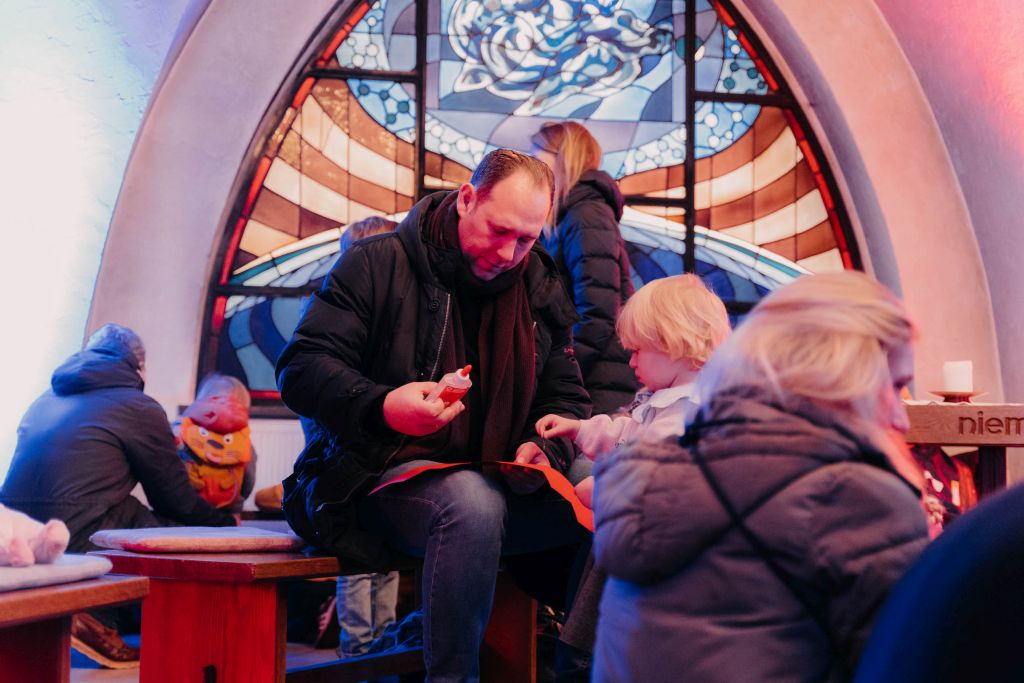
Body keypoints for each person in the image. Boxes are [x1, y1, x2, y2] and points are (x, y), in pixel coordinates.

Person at [276, 149, 592, 682]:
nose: (511, 253)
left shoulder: (539, 284)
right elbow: (301, 369)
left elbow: (566, 398)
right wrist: (382, 406)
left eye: (528, 238)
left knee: (611, 486)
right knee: (472, 502)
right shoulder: (376, 263)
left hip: (503, 478)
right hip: (375, 477)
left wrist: (549, 443)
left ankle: (580, 668)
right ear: (467, 199)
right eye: (499, 230)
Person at [592, 271, 930, 682]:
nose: (900, 416)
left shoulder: (651, 471)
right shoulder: (855, 497)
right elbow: (907, 665)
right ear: (844, 377)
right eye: (894, 386)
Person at [0, 323, 235, 669]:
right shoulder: (138, 405)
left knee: (128, 510)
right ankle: (96, 615)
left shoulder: (45, 398)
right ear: (138, 367)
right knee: (173, 533)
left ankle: (83, 614)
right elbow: (174, 499)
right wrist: (225, 525)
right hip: (75, 533)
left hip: (19, 535)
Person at [536, 274, 730, 507]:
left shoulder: (687, 414)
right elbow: (630, 437)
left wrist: (604, 489)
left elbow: (652, 473)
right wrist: (579, 429)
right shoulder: (668, 403)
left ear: (673, 344)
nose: (631, 362)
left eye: (637, 350)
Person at [530, 121, 638, 417]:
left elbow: (598, 311)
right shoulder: (570, 215)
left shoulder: (586, 214)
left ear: (563, 158)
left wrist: (559, 372)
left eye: (539, 155)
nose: (533, 164)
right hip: (589, 376)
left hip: (599, 381)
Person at [174, 372, 257, 513]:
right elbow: (247, 483)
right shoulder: (242, 445)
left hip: (185, 507)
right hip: (226, 508)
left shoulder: (184, 432)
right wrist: (237, 504)